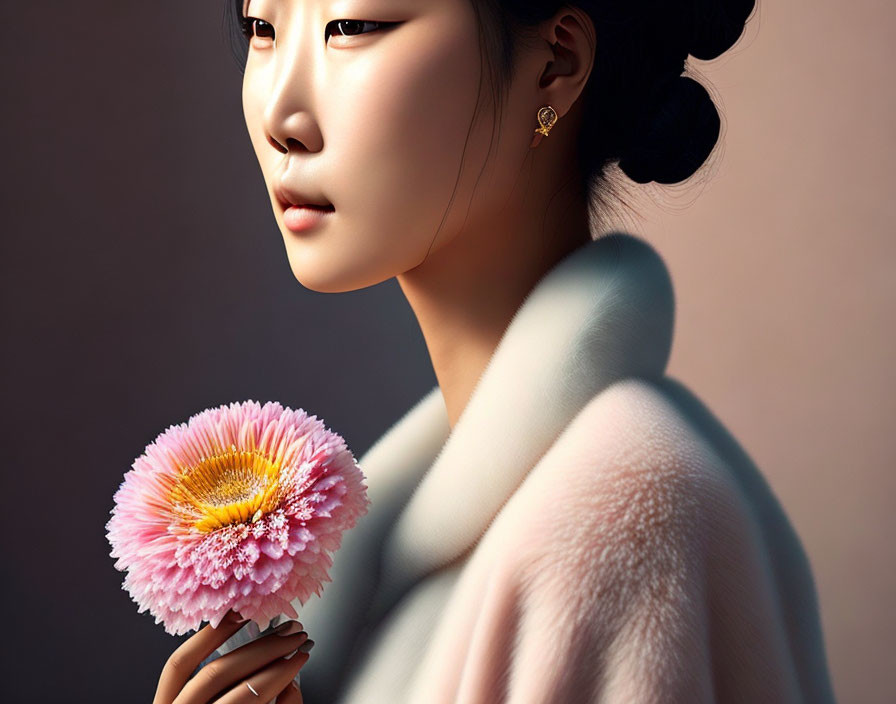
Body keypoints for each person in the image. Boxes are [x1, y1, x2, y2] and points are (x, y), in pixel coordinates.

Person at [154, 0, 838, 702]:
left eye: (352, 27)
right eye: (261, 30)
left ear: (555, 66)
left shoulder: (623, 518)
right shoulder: (407, 515)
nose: (281, 117)